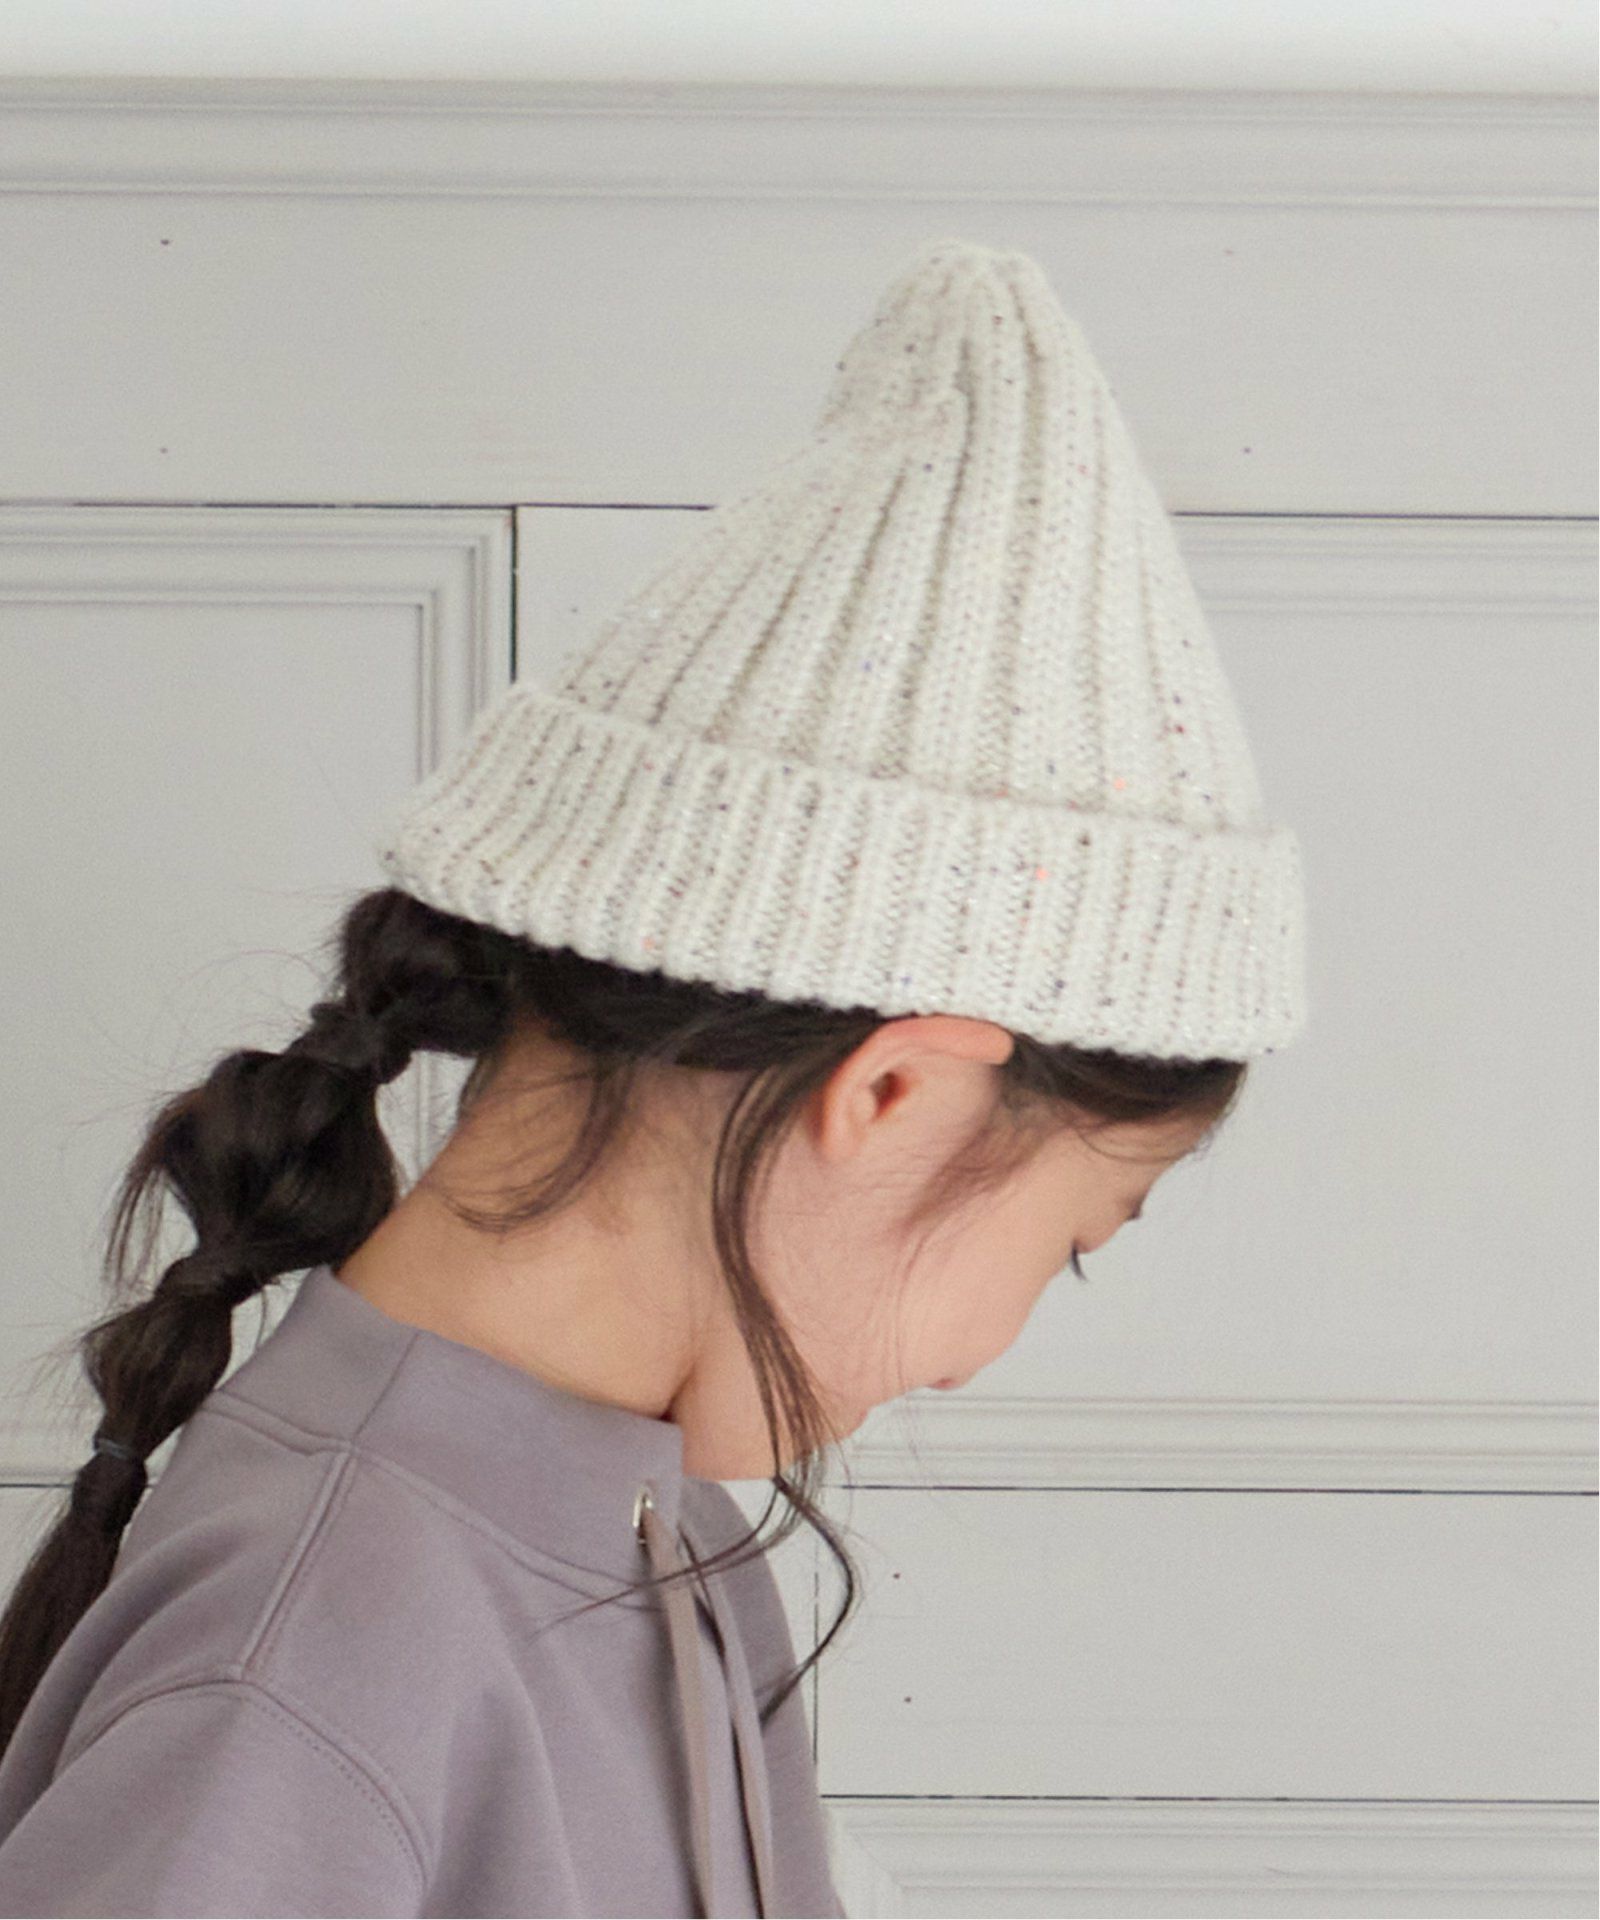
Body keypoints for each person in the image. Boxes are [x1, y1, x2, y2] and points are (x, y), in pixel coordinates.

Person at [0, 234, 1307, 1917]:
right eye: (1069, 1245)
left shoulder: (648, 1516)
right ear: (897, 1093)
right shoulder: (314, 1664)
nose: (977, 1357)